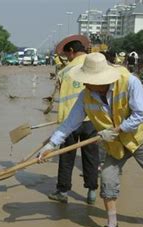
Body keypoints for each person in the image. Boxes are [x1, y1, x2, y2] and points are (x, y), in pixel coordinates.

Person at [37, 53, 143, 227]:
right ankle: (112, 224)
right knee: (108, 180)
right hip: (115, 144)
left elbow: (140, 114)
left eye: (89, 80)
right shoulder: (86, 96)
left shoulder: (130, 82)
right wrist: (51, 145)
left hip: (141, 136)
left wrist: (117, 129)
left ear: (102, 79)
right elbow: (70, 123)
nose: (85, 84)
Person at [48, 36, 99, 205]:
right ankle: (92, 192)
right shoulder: (95, 65)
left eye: (67, 54)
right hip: (90, 119)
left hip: (69, 122)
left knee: (67, 157)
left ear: (72, 52)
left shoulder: (65, 72)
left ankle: (62, 191)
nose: (67, 58)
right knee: (91, 156)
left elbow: (62, 97)